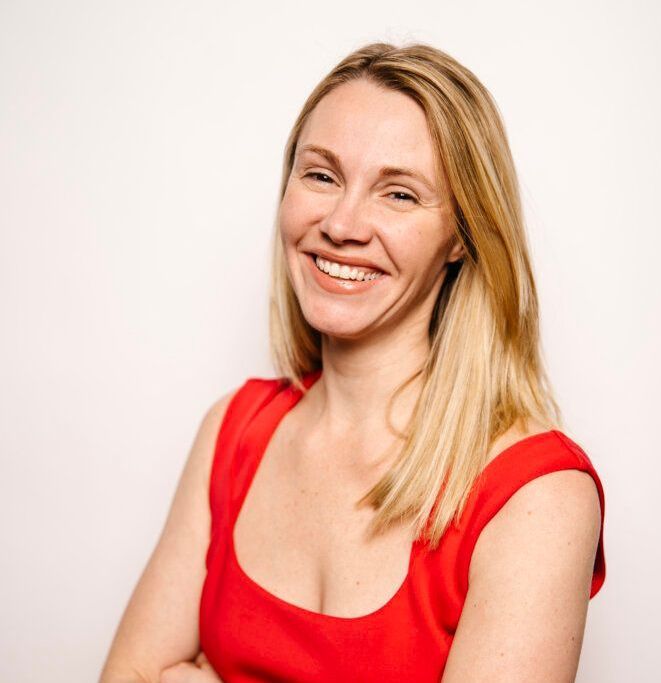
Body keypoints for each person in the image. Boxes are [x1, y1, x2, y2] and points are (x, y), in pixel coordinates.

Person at [100, 41, 606, 683]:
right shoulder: (234, 431)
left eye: (398, 194)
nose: (342, 224)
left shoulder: (536, 496)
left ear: (462, 236)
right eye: (321, 175)